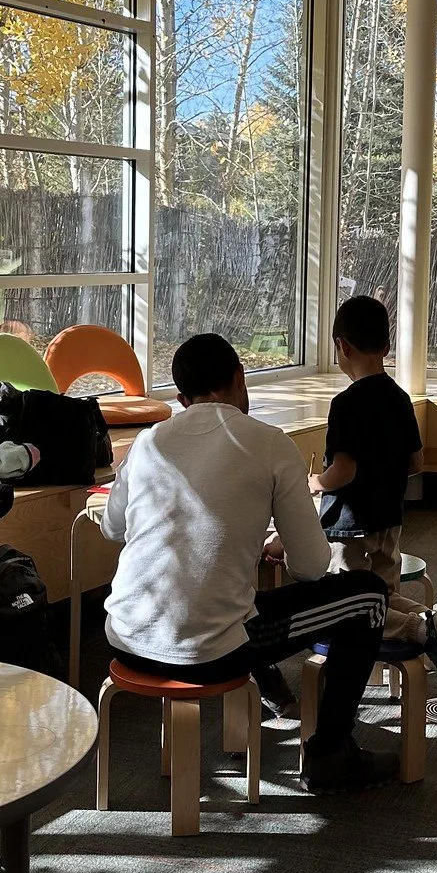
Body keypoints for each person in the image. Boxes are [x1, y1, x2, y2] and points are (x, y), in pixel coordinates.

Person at [101, 332, 399, 793]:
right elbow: (312, 567)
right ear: (240, 378)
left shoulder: (148, 443)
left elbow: (113, 530)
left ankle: (279, 699)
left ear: (181, 399)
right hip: (209, 655)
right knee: (369, 597)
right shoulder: (269, 443)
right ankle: (331, 755)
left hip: (124, 638)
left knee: (239, 598)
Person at [309, 295, 437, 694]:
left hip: (348, 526)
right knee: (385, 594)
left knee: (356, 606)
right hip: (390, 518)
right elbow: (416, 462)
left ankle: (423, 629)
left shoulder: (345, 404)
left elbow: (344, 471)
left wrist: (314, 483)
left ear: (341, 347)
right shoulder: (399, 398)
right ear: (387, 348)